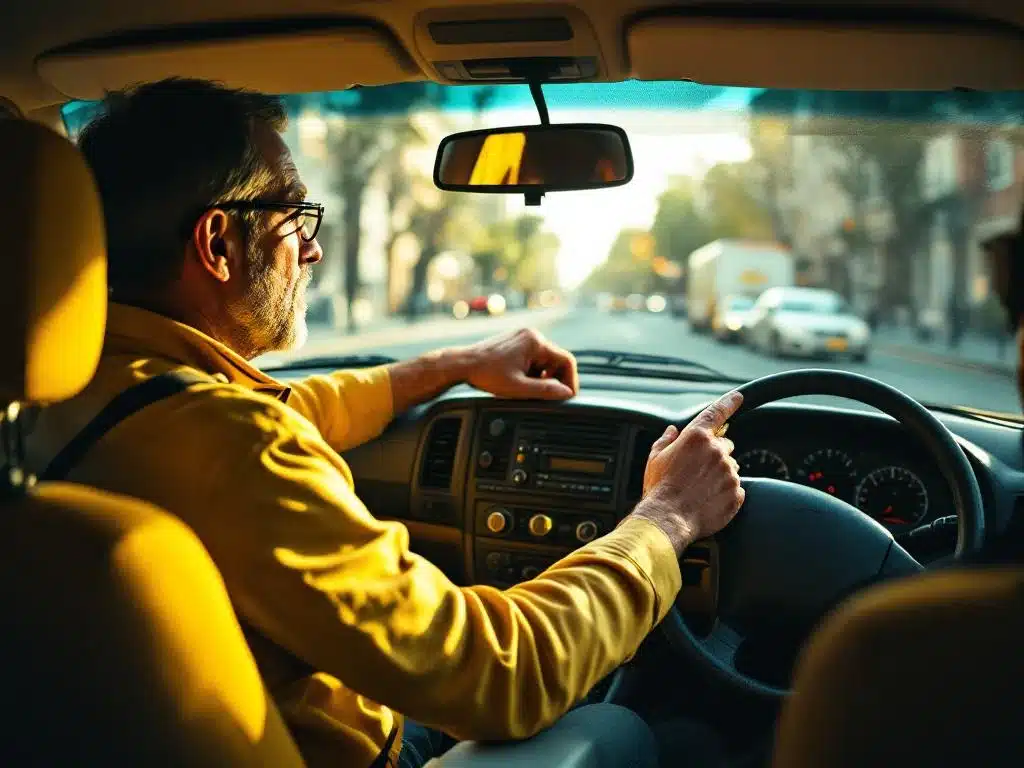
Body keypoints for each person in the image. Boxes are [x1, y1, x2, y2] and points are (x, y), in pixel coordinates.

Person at [26, 78, 745, 768]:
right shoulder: (235, 448)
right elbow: (501, 676)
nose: (310, 249)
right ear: (216, 245)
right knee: (629, 727)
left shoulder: (67, 401)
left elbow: (281, 412)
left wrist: (446, 367)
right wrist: (667, 518)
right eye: (294, 217)